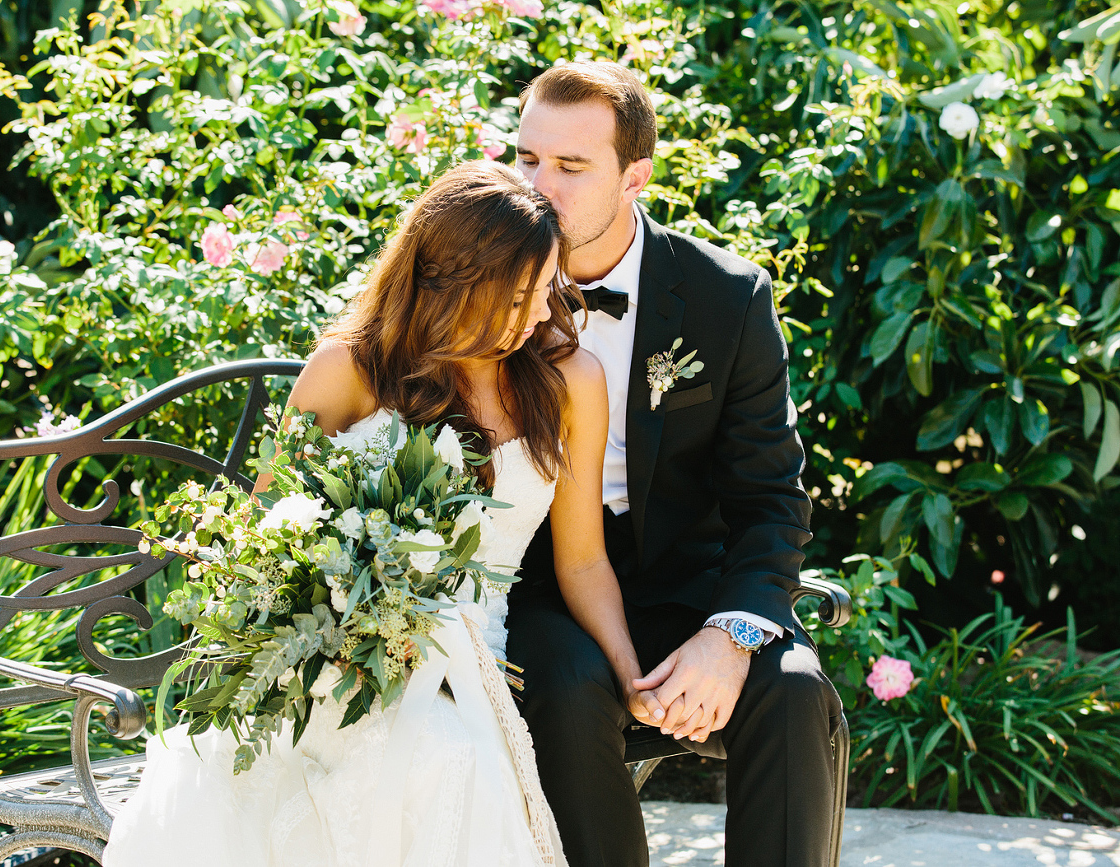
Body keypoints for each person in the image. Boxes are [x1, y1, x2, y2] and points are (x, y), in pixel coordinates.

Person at [103, 160, 661, 867]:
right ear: (444, 282)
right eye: (512, 298)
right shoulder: (350, 368)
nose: (531, 318)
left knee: (445, 758)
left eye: (541, 291)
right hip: (338, 658)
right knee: (420, 763)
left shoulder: (569, 381)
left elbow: (581, 558)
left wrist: (629, 672)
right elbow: (262, 537)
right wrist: (334, 618)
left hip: (472, 661)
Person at [506, 61, 843, 867]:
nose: (538, 186)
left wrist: (728, 636)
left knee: (796, 696)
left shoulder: (724, 297)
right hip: (542, 587)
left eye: (571, 166)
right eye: (526, 159)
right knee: (565, 683)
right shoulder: (483, 280)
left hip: (694, 586)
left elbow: (769, 498)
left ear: (635, 175)